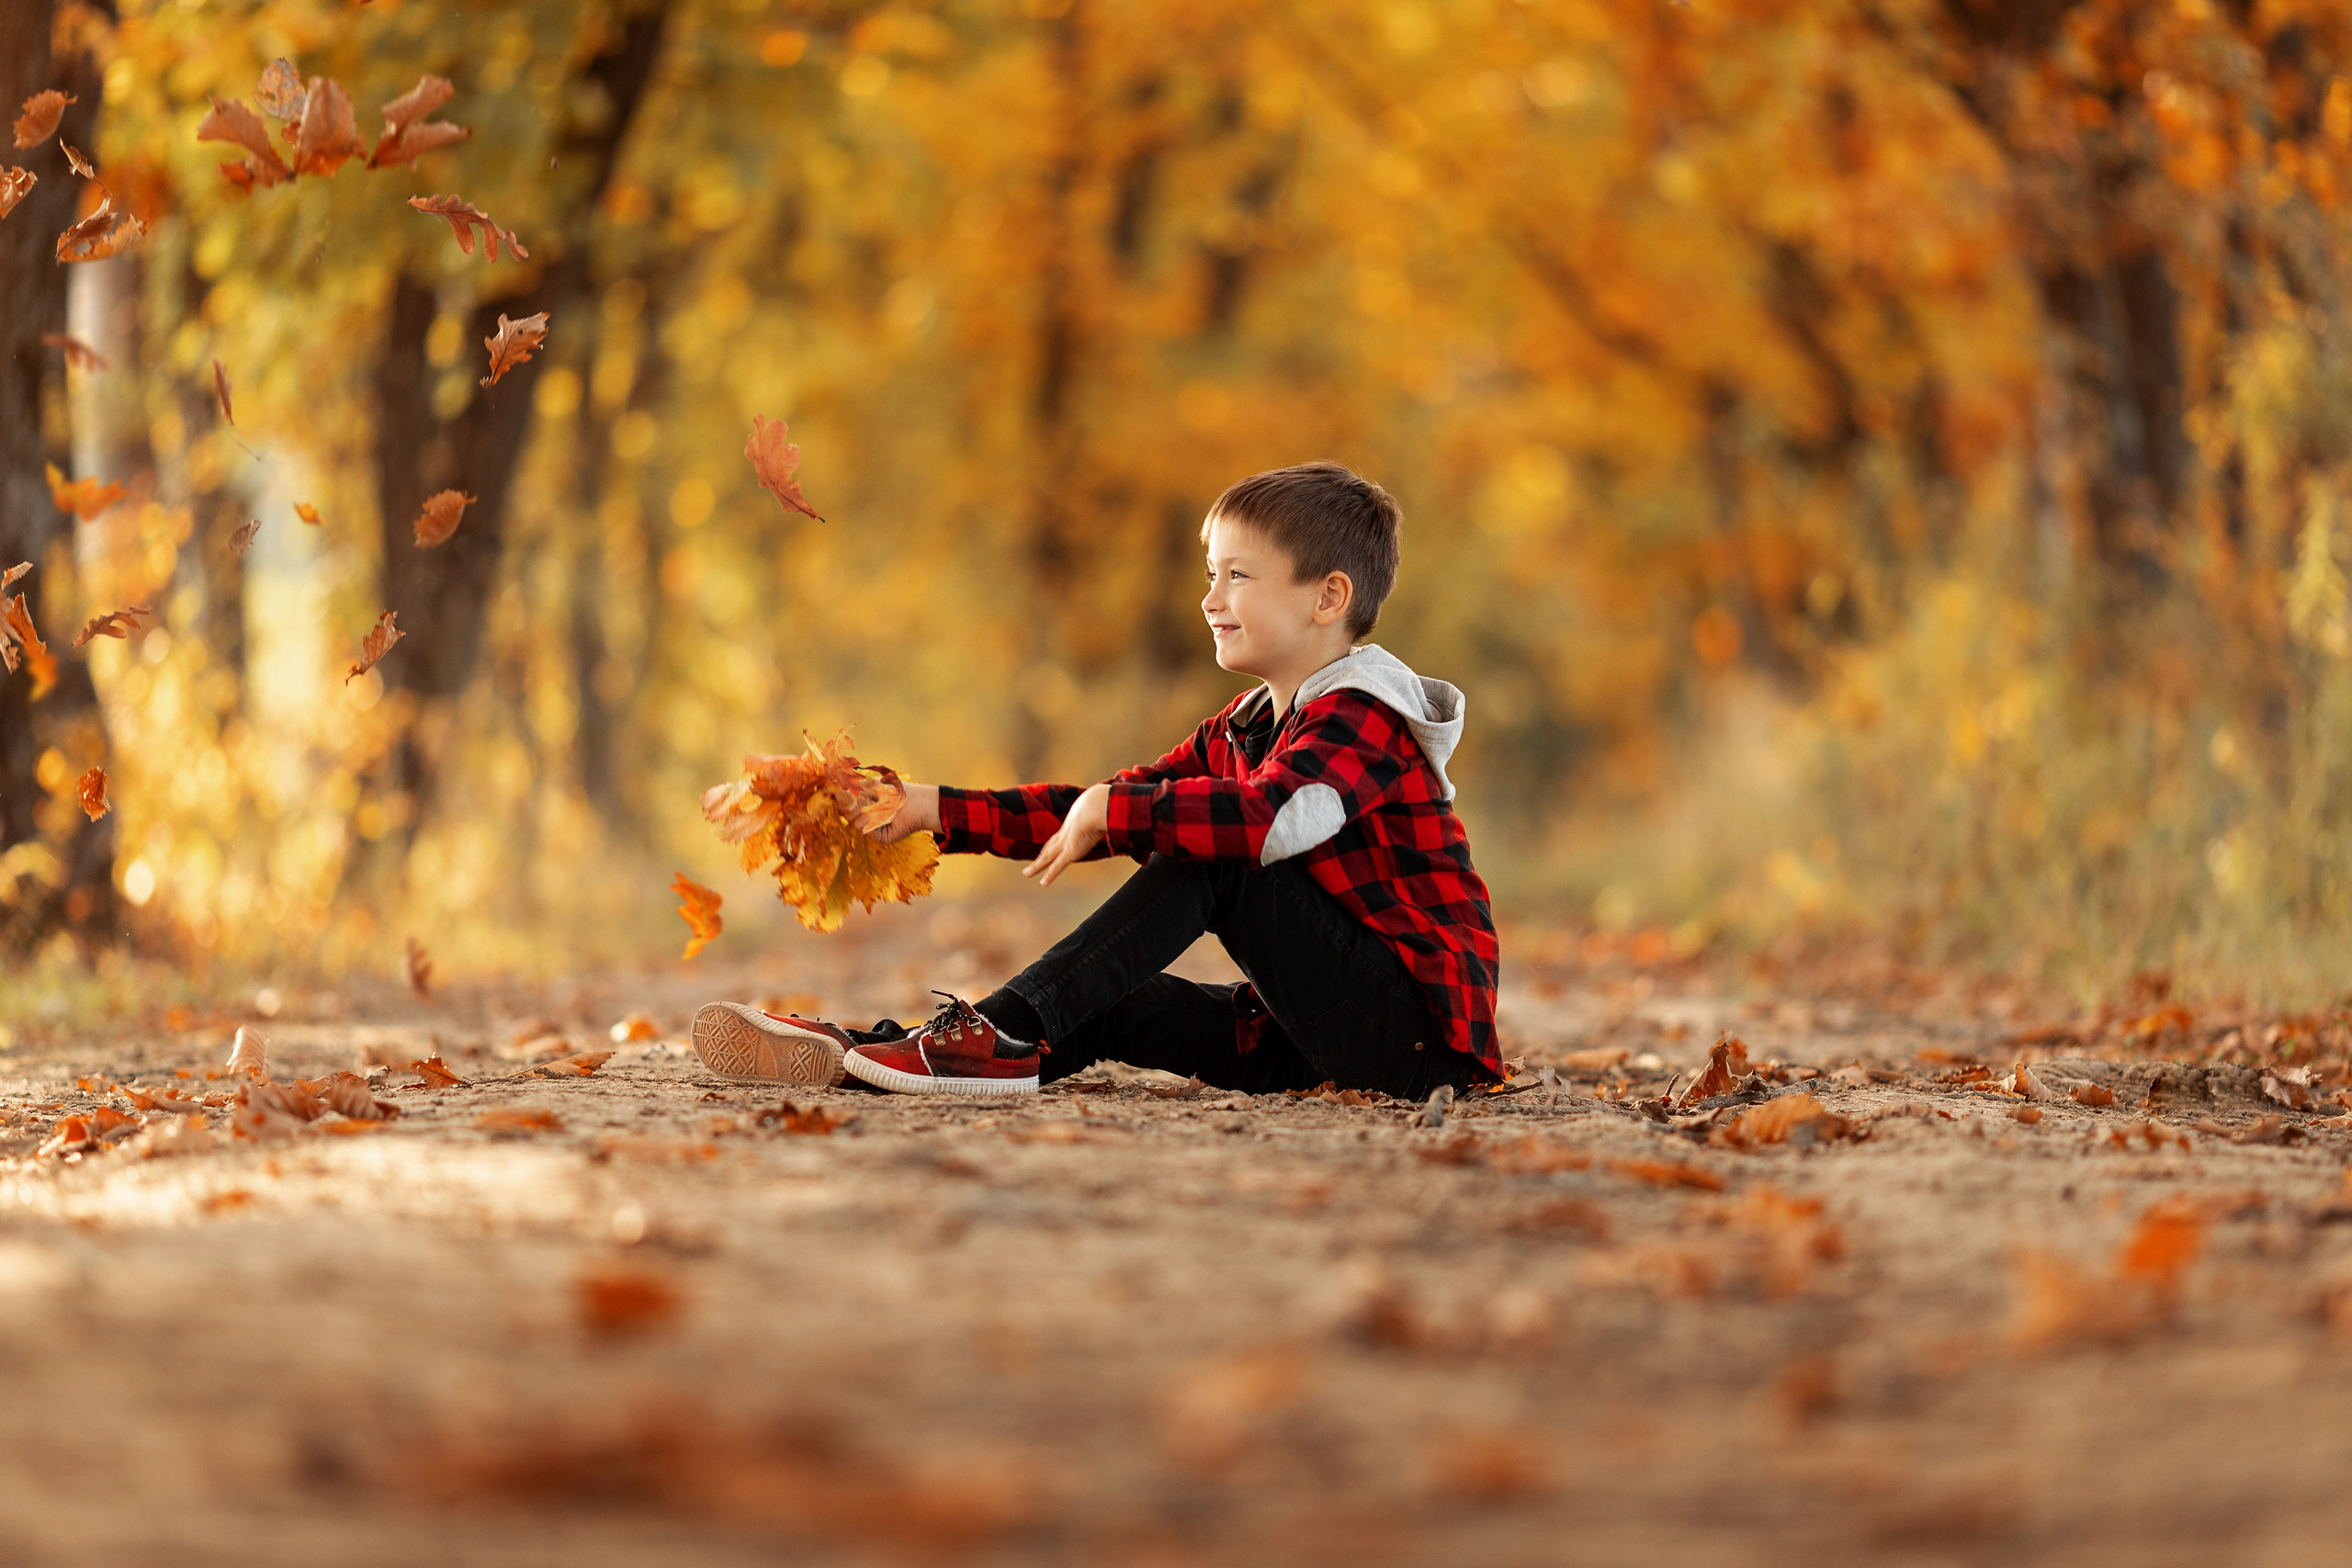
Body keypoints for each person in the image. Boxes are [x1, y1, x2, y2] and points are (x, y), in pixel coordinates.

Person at [691, 460, 1498, 1100]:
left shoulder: (1367, 714)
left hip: (1417, 1042)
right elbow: (1102, 807)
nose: (1210, 598)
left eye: (1239, 578)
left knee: (1211, 843)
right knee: (1109, 999)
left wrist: (1122, 809)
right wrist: (930, 807)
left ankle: (979, 1042)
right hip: (1304, 1033)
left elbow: (1272, 819)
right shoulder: (1247, 725)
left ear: (1329, 597)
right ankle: (874, 1055)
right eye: (1210, 574)